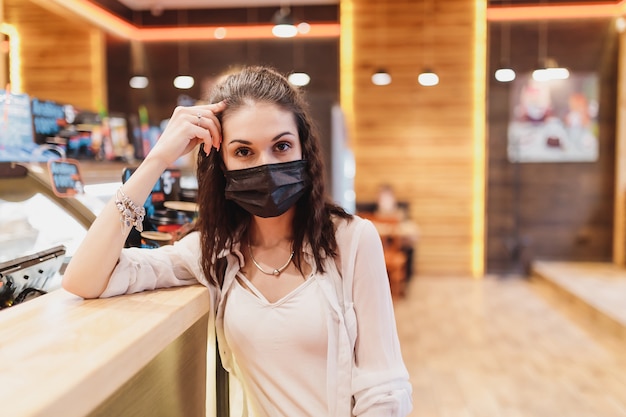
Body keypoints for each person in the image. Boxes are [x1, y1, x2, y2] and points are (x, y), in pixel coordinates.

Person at [62, 66, 412, 416]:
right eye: (244, 152)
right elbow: (84, 279)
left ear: (303, 150)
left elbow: (383, 390)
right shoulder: (214, 252)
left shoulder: (350, 241)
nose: (267, 165)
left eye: (282, 146)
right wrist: (157, 159)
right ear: (222, 162)